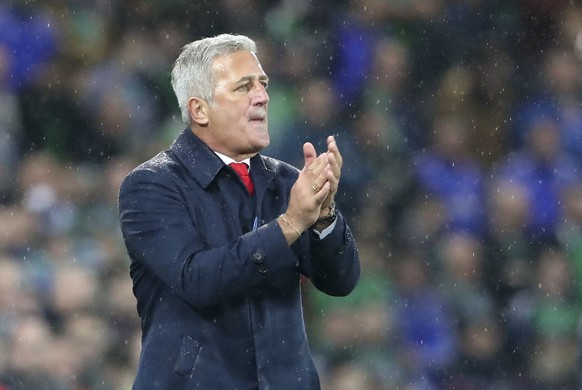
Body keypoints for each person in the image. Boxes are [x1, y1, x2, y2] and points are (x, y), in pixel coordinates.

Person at [118, 33, 360, 389]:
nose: (262, 96)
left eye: (262, 84)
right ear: (199, 109)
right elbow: (198, 280)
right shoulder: (151, 185)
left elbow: (340, 281)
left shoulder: (285, 182)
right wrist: (291, 223)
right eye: (243, 87)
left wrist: (324, 215)